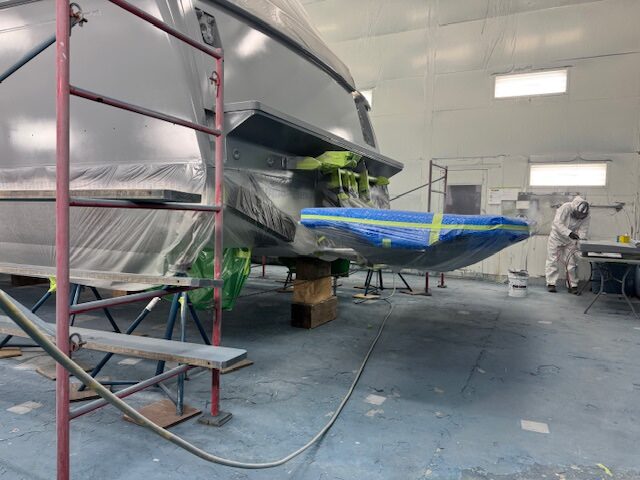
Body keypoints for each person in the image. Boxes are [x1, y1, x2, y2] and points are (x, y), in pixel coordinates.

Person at [545, 196, 590, 294]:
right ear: (574, 209)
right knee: (553, 260)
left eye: (581, 215)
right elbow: (557, 223)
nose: (579, 217)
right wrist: (568, 233)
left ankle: (572, 285)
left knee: (571, 263)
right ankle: (551, 284)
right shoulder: (566, 207)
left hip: (570, 240)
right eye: (578, 214)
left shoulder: (586, 215)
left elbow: (583, 230)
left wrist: (580, 240)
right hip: (556, 237)